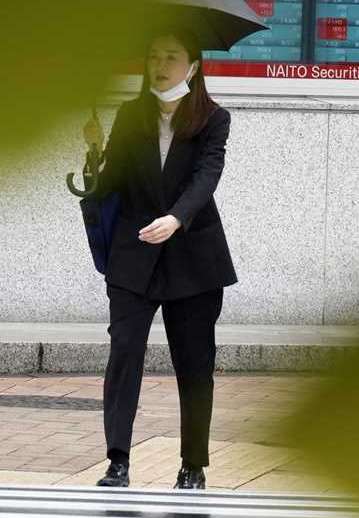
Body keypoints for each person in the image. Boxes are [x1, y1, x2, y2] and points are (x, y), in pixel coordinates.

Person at [83, 28, 237, 490]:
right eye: (153, 55)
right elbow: (111, 183)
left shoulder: (214, 119)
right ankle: (117, 462)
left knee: (194, 364)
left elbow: (207, 176)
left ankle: (193, 465)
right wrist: (95, 152)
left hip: (193, 257)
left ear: (193, 67)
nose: (160, 65)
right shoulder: (131, 115)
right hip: (134, 254)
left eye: (172, 56)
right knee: (123, 354)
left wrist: (176, 218)